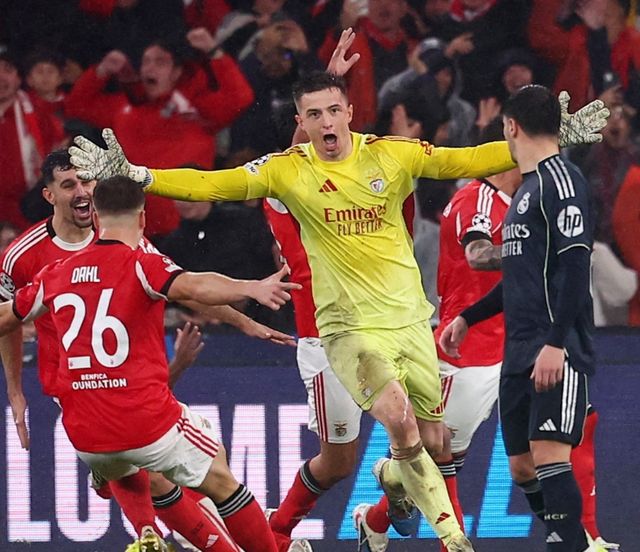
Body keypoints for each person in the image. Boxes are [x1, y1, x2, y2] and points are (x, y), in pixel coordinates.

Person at [68, 68, 608, 551]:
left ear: (349, 111)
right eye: (314, 115)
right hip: (346, 330)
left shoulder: (391, 155)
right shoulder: (286, 170)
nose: (326, 122)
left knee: (433, 443)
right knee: (396, 425)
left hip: (410, 322)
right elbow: (214, 184)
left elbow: (463, 159)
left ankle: (392, 481)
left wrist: (551, 140)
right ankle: (450, 539)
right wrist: (141, 174)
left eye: (333, 110)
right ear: (301, 123)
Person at [0, 150, 297, 552]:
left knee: (140, 471)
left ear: (98, 214)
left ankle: (146, 534)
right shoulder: (140, 262)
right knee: (218, 473)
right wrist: (251, 287)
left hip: (84, 429)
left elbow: (7, 317)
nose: (80, 192)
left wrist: (243, 322)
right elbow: (194, 285)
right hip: (133, 415)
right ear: (142, 219)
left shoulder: (52, 275)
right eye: (69, 184)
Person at [439, 85, 597, 552]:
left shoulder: (561, 183)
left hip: (553, 347)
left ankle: (570, 545)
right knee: (523, 467)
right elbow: (523, 274)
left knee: (550, 458)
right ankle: (575, 542)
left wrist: (556, 342)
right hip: (519, 349)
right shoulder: (526, 191)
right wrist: (469, 316)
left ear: (510, 127)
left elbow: (576, 265)